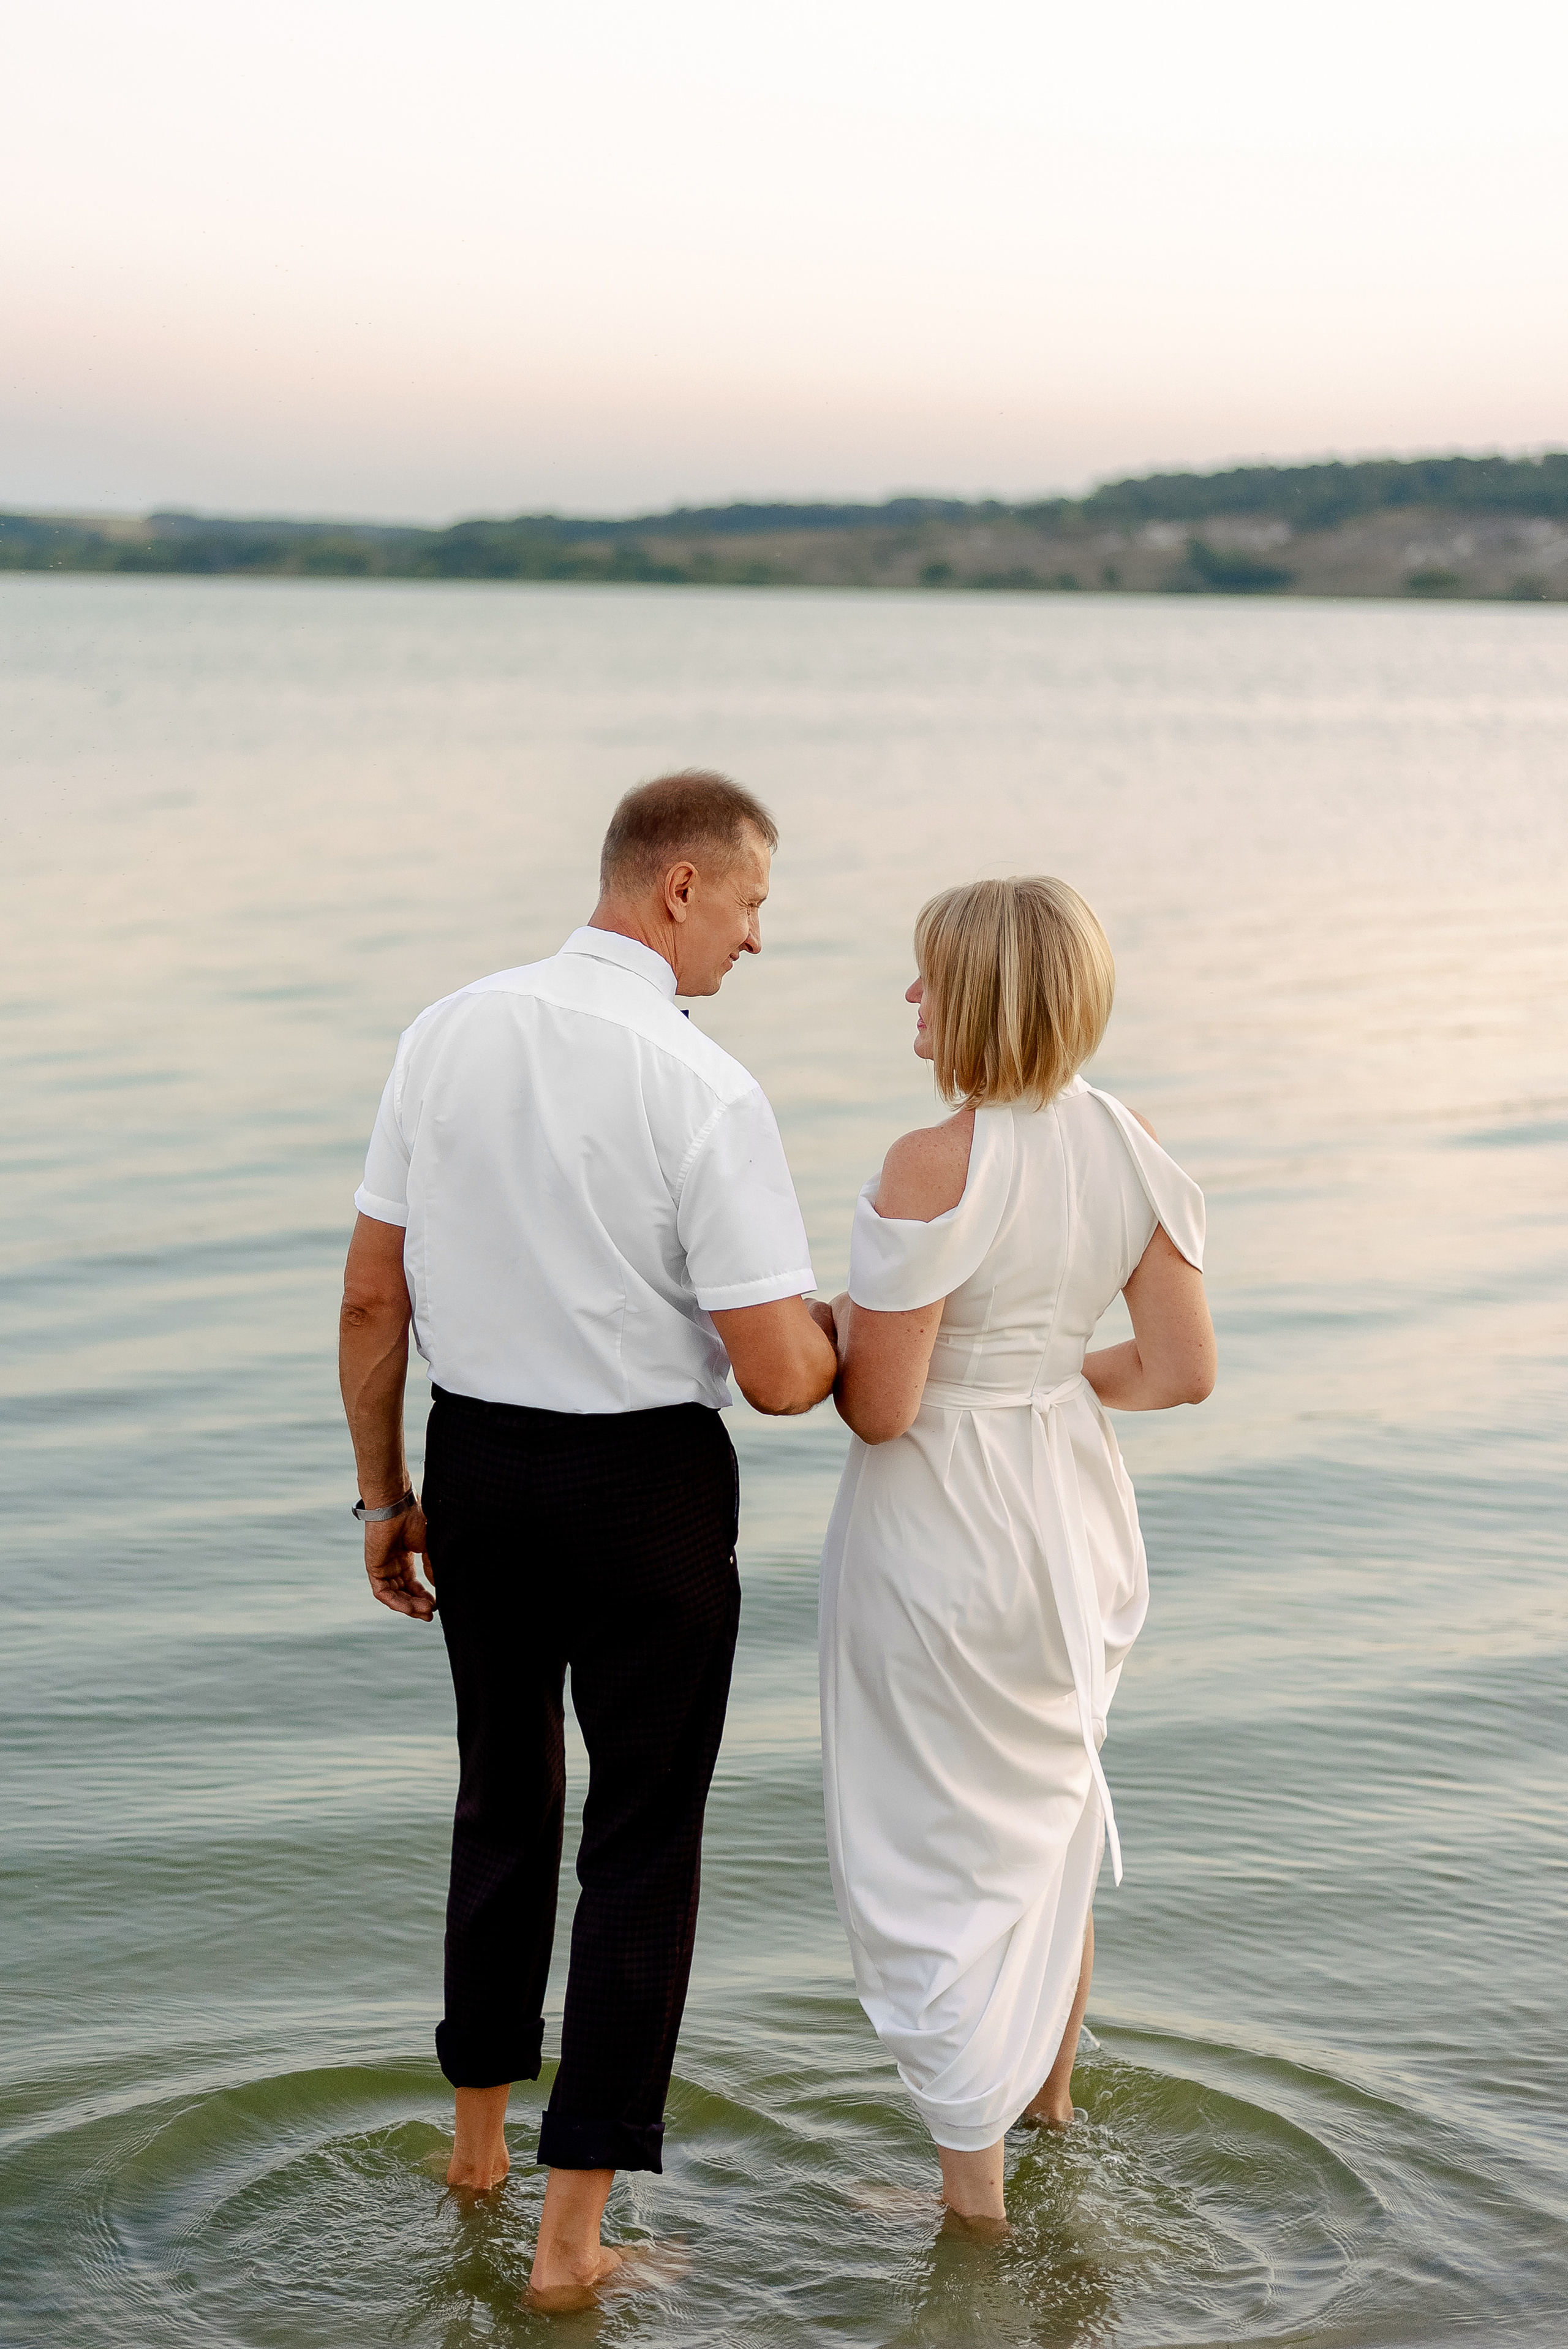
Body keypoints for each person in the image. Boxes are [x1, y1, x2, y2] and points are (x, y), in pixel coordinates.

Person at [338, 770, 837, 2305]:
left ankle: (475, 2153)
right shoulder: (705, 1090)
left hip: (474, 1466)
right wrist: (848, 1332)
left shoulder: (446, 1028)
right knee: (638, 1849)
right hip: (643, 1493)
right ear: (679, 887)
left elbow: (373, 1298)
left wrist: (382, 1496)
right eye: (751, 906)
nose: (754, 945)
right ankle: (571, 2251)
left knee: (501, 1805)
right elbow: (773, 1379)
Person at [818, 875, 1216, 2228]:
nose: (912, 1001)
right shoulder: (1130, 1140)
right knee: (1044, 1819)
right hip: (1071, 1516)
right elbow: (1179, 1370)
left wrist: (831, 1331)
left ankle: (968, 2198)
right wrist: (1051, 1383)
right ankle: (1044, 2109)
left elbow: (881, 1405)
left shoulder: (932, 1162)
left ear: (980, 997)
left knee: (934, 1847)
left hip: (943, 1525)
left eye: (928, 978)